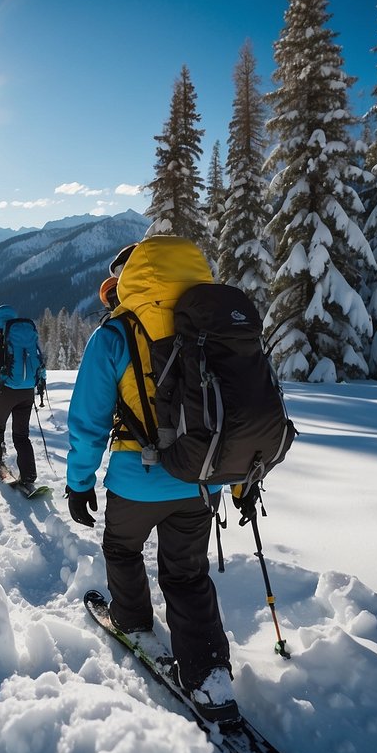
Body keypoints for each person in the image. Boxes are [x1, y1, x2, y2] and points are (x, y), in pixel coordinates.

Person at [65, 238, 238, 721]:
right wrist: (241, 479)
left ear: (129, 279)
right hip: (203, 480)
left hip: (135, 481)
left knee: (122, 550)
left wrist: (80, 483)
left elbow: (88, 422)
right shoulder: (212, 326)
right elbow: (239, 410)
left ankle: (134, 619)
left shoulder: (114, 335)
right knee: (186, 573)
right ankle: (211, 678)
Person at [0, 304, 45, 489]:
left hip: (7, 391)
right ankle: (29, 474)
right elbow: (38, 359)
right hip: (28, 391)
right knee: (22, 435)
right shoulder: (26, 335)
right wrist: (41, 383)